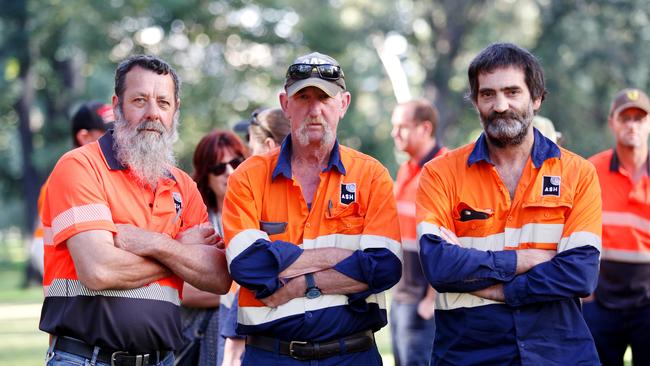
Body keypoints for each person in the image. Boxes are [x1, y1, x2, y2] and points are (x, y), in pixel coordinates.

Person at [40, 54, 232, 366]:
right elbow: (99, 270)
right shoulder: (81, 167)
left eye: (163, 103)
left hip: (164, 360)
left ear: (175, 110)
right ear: (117, 106)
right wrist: (181, 253)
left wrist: (156, 243)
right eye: (140, 100)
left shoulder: (183, 185)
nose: (153, 113)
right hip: (86, 359)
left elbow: (219, 277)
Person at [417, 43, 602, 365]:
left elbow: (580, 274)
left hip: (561, 352)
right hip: (468, 353)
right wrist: (524, 259)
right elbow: (439, 267)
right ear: (475, 101)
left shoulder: (578, 173)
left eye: (512, 92)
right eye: (488, 94)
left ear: (537, 97)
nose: (500, 105)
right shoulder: (440, 174)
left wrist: (503, 291)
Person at [222, 51, 402, 365]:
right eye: (303, 97)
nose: (314, 109)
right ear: (285, 104)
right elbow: (247, 266)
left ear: (343, 104)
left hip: (352, 355)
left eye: (325, 98)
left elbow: (384, 267)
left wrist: (300, 284)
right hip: (271, 355)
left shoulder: (371, 175)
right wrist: (338, 257)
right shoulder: (248, 177)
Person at [219, 109, 292, 366]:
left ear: (270, 147)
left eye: (250, 150)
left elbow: (251, 270)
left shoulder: (258, 195)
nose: (246, 160)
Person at [584, 88, 650, 366]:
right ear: (612, 122)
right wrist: (586, 293)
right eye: (625, 118)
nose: (632, 125)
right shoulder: (591, 171)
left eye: (639, 118)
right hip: (600, 302)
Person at [178, 130, 247, 366]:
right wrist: (241, 292)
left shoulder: (260, 216)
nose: (229, 172)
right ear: (205, 175)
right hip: (202, 335)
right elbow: (183, 291)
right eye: (218, 167)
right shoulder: (195, 223)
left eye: (236, 162)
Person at [389, 99, 447, 366]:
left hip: (424, 301)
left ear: (425, 128)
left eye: (402, 127)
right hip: (402, 294)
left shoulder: (443, 170)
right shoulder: (406, 169)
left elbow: (448, 240)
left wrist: (431, 299)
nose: (394, 133)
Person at [29, 101, 115, 279]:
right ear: (84, 137)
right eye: (109, 132)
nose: (117, 137)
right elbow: (40, 247)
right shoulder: (65, 177)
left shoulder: (103, 175)